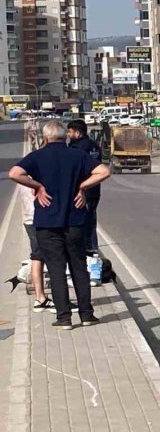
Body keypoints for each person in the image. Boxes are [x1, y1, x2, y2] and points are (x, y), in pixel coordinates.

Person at [8, 121, 111, 329]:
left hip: (47, 222)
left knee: (56, 270)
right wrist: (82, 187)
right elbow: (103, 172)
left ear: (45, 138)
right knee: (79, 268)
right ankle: (87, 315)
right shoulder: (77, 155)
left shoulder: (37, 156)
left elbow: (14, 173)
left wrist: (38, 186)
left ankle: (64, 318)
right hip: (75, 221)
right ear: (65, 137)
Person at [67, 120, 103, 254]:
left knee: (82, 222)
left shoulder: (77, 148)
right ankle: (93, 247)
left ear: (77, 133)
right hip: (94, 190)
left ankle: (88, 249)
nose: (68, 134)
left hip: (82, 191)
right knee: (91, 220)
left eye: (70, 132)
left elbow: (74, 169)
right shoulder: (95, 146)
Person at [17, 183, 54, 312]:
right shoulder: (32, 175)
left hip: (30, 218)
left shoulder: (23, 175)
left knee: (37, 256)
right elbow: (35, 191)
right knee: (47, 256)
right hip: (38, 218)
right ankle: (44, 298)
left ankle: (40, 298)